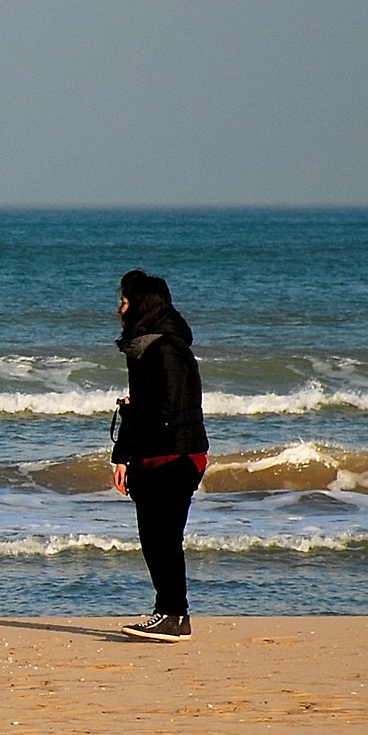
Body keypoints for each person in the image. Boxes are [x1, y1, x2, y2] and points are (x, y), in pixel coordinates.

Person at [109, 269, 209, 641]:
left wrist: (132, 410)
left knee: (163, 538)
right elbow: (145, 407)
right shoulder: (144, 347)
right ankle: (169, 613)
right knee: (155, 538)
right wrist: (122, 456)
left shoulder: (166, 348)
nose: (119, 309)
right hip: (156, 454)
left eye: (124, 301)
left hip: (178, 455)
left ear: (141, 306)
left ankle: (174, 615)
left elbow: (168, 409)